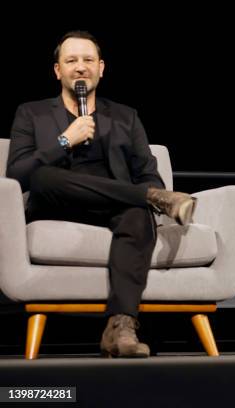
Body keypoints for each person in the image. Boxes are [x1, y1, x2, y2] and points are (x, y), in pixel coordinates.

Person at [6, 30, 196, 358]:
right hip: (56, 203)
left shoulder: (125, 117)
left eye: (88, 60)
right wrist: (65, 140)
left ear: (101, 67)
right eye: (71, 60)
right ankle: (148, 199)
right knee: (44, 176)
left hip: (114, 208)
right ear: (57, 70)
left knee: (138, 215)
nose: (80, 67)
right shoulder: (31, 113)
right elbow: (17, 175)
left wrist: (149, 190)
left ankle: (121, 325)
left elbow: (148, 174)